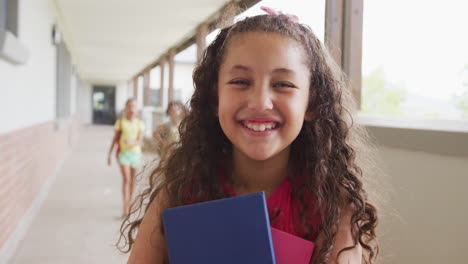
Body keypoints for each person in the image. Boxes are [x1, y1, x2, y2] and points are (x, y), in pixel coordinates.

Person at [120, 9, 379, 264]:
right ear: (214, 96)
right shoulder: (179, 192)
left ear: (312, 103)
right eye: (241, 82)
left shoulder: (334, 207)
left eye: (283, 85)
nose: (260, 102)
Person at [108, 98, 145, 217]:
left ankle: (130, 202)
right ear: (125, 108)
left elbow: (140, 141)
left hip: (135, 154)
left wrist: (132, 144)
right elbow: (115, 139)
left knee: (133, 180)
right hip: (123, 154)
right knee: (127, 179)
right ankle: (125, 207)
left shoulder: (140, 124)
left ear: (136, 109)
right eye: (129, 106)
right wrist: (109, 154)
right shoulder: (121, 122)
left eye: (133, 106)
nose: (131, 109)